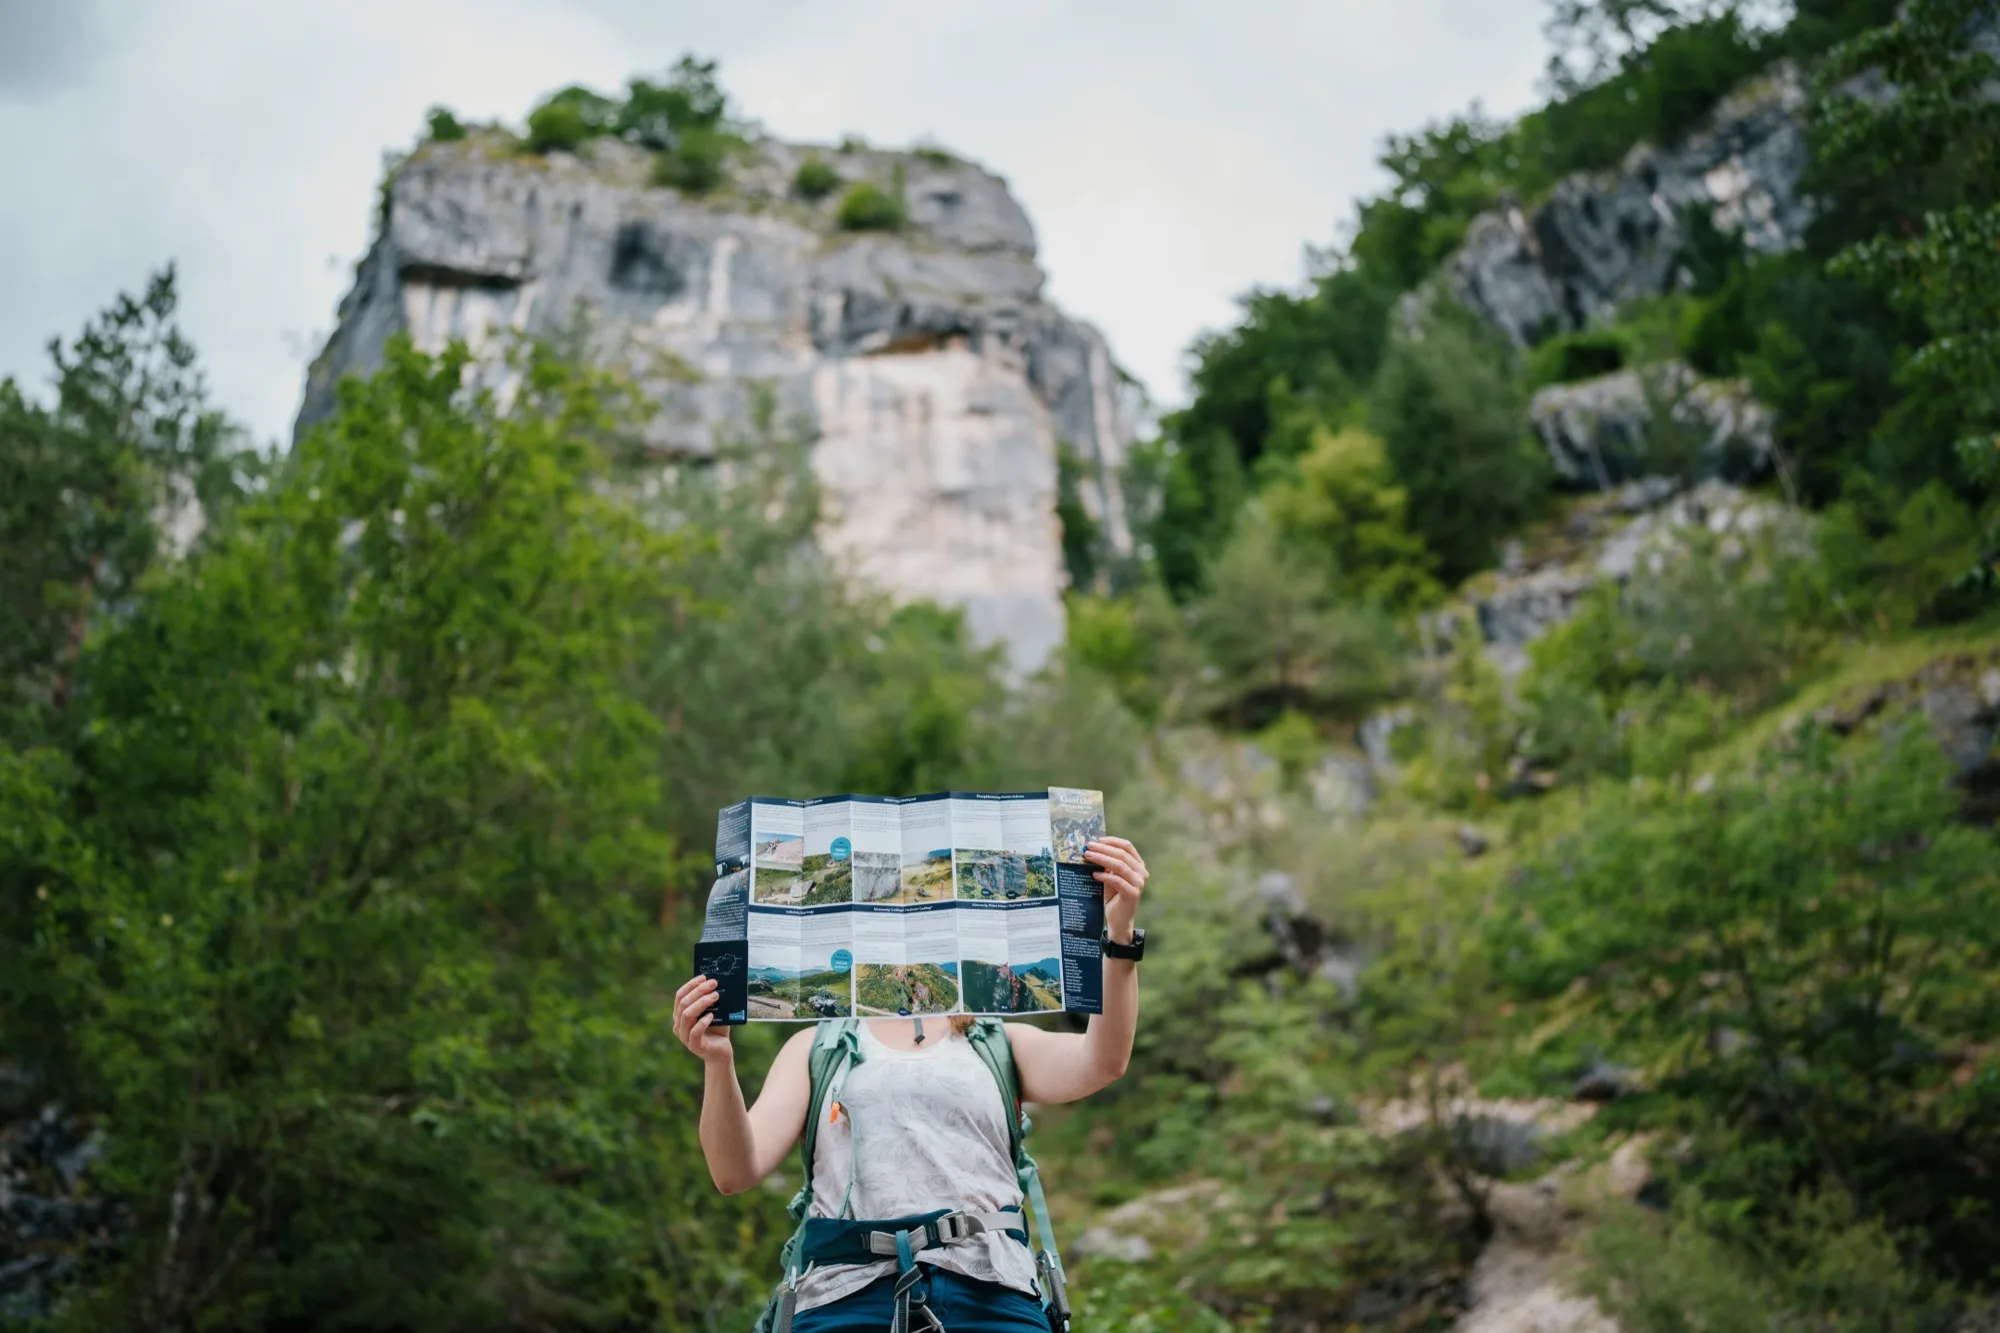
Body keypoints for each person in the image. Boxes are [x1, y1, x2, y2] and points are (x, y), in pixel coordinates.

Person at [674, 836, 1150, 1333]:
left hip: (993, 1295)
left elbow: (1103, 1062)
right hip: (844, 1300)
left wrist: (1119, 937)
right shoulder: (818, 1047)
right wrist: (717, 1060)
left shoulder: (995, 1038)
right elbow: (734, 1171)